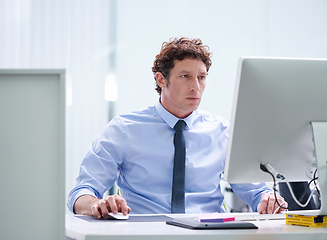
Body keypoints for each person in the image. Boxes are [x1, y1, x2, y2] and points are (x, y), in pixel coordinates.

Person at [68, 37, 287, 219]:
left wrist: (268, 198)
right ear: (161, 79)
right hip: (145, 233)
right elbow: (80, 194)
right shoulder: (123, 130)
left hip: (210, 232)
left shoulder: (222, 131)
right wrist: (98, 204)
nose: (196, 87)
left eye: (201, 77)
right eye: (185, 77)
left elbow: (257, 191)